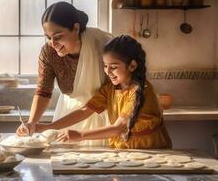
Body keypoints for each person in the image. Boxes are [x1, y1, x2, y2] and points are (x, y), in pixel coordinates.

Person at [34, 35, 172, 149]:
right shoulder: (110, 89)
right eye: (105, 66)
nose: (108, 71)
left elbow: (118, 128)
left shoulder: (140, 91)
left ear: (132, 65)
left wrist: (80, 135)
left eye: (114, 67)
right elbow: (84, 111)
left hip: (151, 151)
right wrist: (47, 127)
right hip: (124, 151)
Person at [16, 2, 113, 146]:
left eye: (58, 36)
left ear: (75, 28)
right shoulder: (48, 53)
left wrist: (48, 126)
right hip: (68, 115)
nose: (53, 43)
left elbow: (115, 92)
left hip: (104, 118)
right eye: (48, 37)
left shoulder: (104, 46)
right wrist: (32, 123)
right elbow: (43, 90)